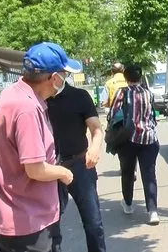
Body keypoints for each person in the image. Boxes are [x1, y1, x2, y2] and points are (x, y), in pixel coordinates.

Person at [0, 42, 80, 252]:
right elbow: (35, 169)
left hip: (18, 217)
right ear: (53, 77)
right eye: (65, 75)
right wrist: (63, 173)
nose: (65, 80)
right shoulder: (27, 108)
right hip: (27, 221)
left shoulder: (14, 93)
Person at [47, 79, 106, 252]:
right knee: (50, 226)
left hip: (79, 164)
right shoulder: (38, 99)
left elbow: (96, 127)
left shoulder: (79, 96)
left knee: (93, 223)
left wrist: (95, 147)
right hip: (48, 169)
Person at [108, 64, 160, 225]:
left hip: (128, 140)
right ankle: (152, 212)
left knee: (128, 173)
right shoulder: (148, 93)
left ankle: (128, 204)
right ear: (140, 76)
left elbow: (111, 114)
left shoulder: (122, 93)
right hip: (149, 139)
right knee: (149, 175)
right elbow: (152, 115)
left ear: (126, 77)